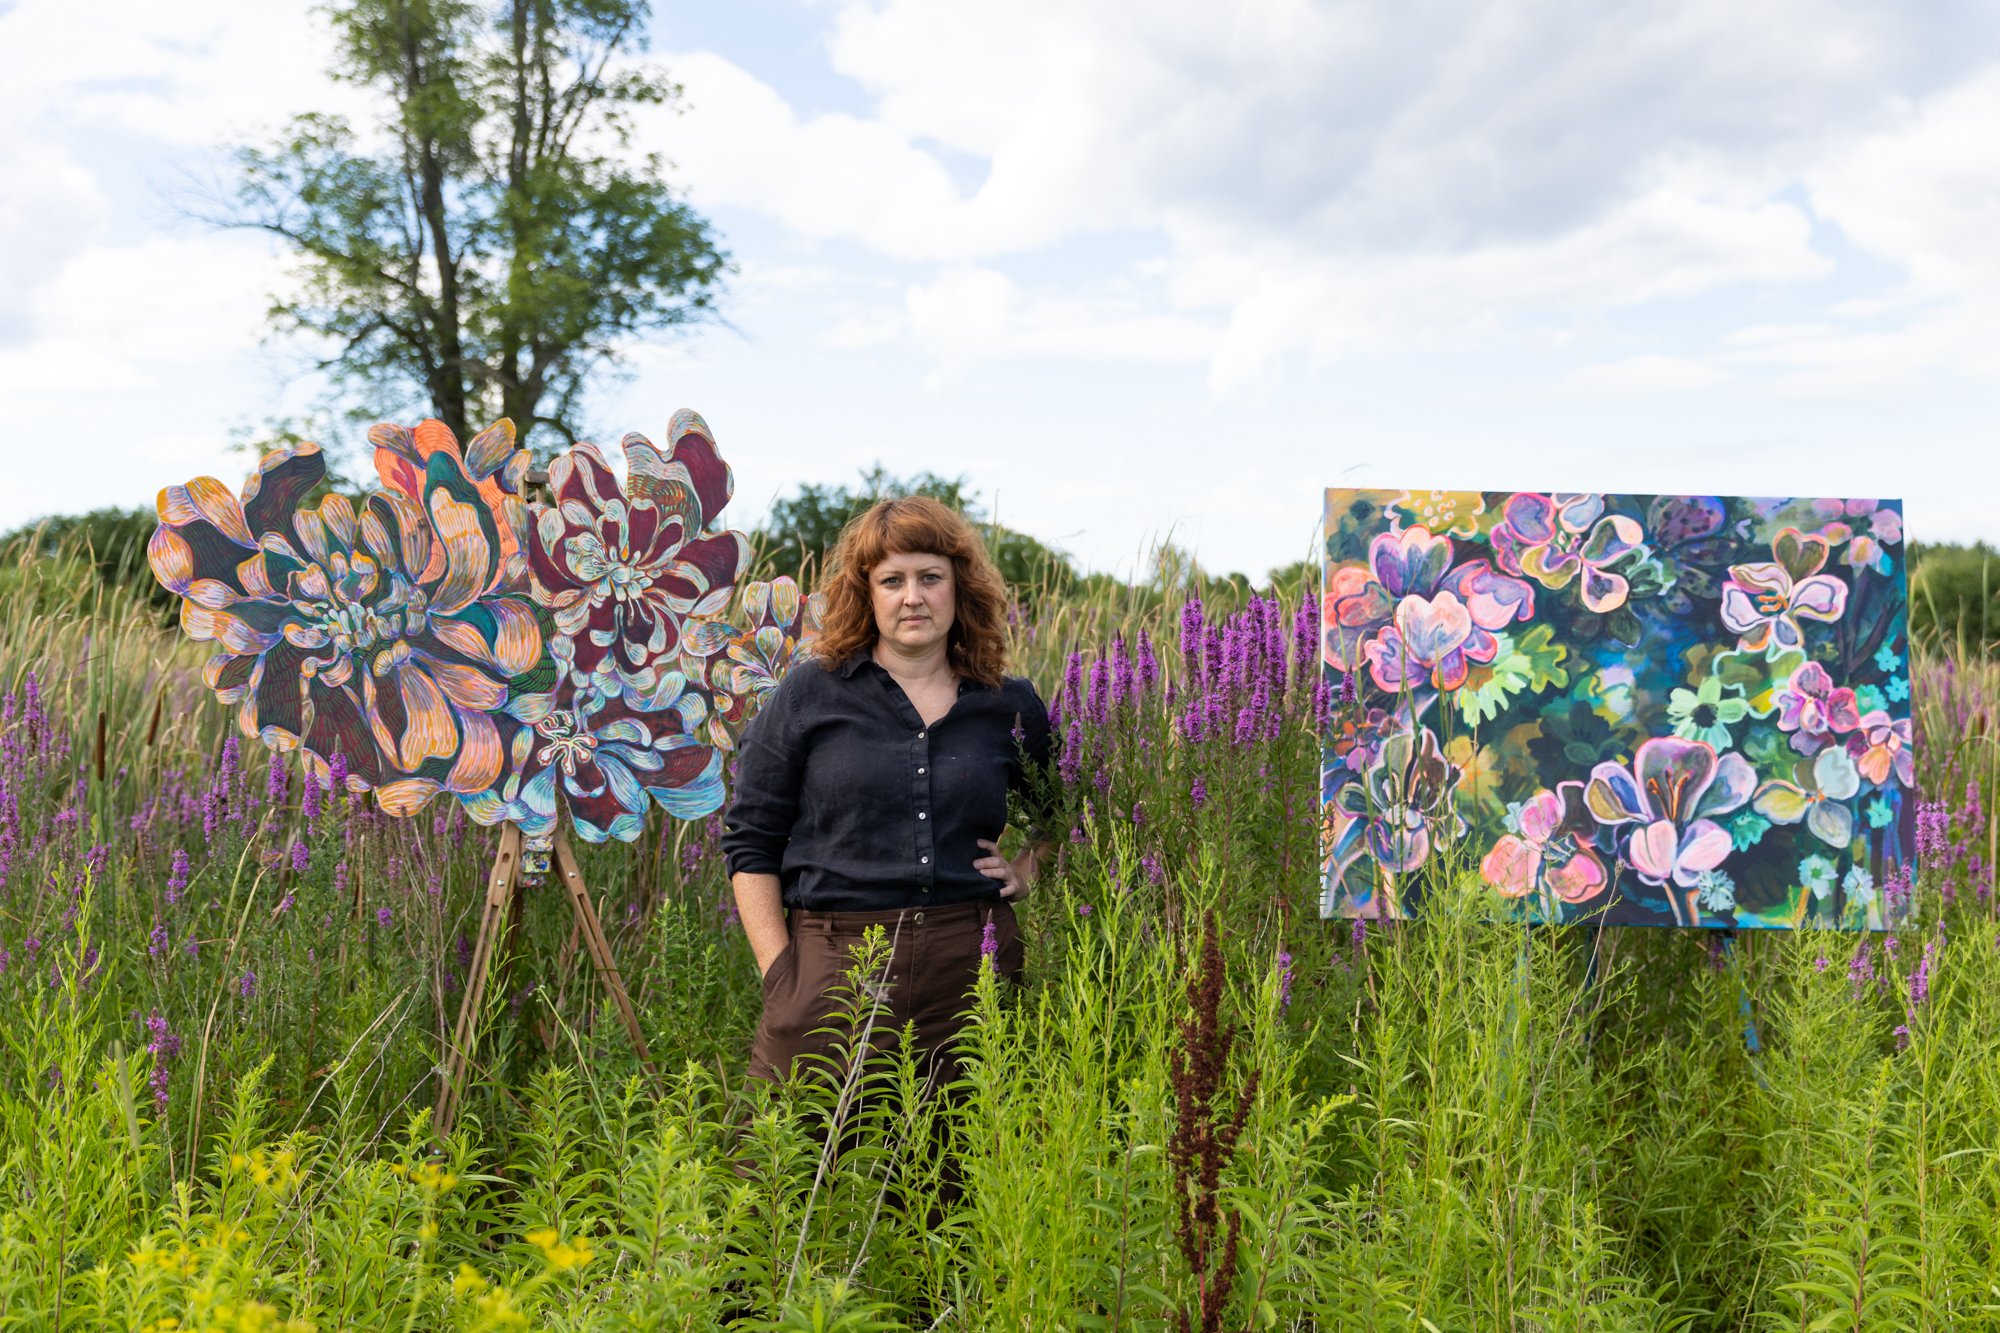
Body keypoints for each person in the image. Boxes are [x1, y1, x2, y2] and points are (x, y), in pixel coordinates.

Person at [721, 496, 1053, 1089]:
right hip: (833, 964)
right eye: (892, 580)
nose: (912, 597)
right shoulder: (809, 696)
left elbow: (1063, 810)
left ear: (959, 587)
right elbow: (750, 842)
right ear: (866, 593)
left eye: (931, 577)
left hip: (970, 964)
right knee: (788, 1165)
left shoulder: (1009, 703)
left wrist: (1029, 865)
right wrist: (782, 976)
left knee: (960, 1170)